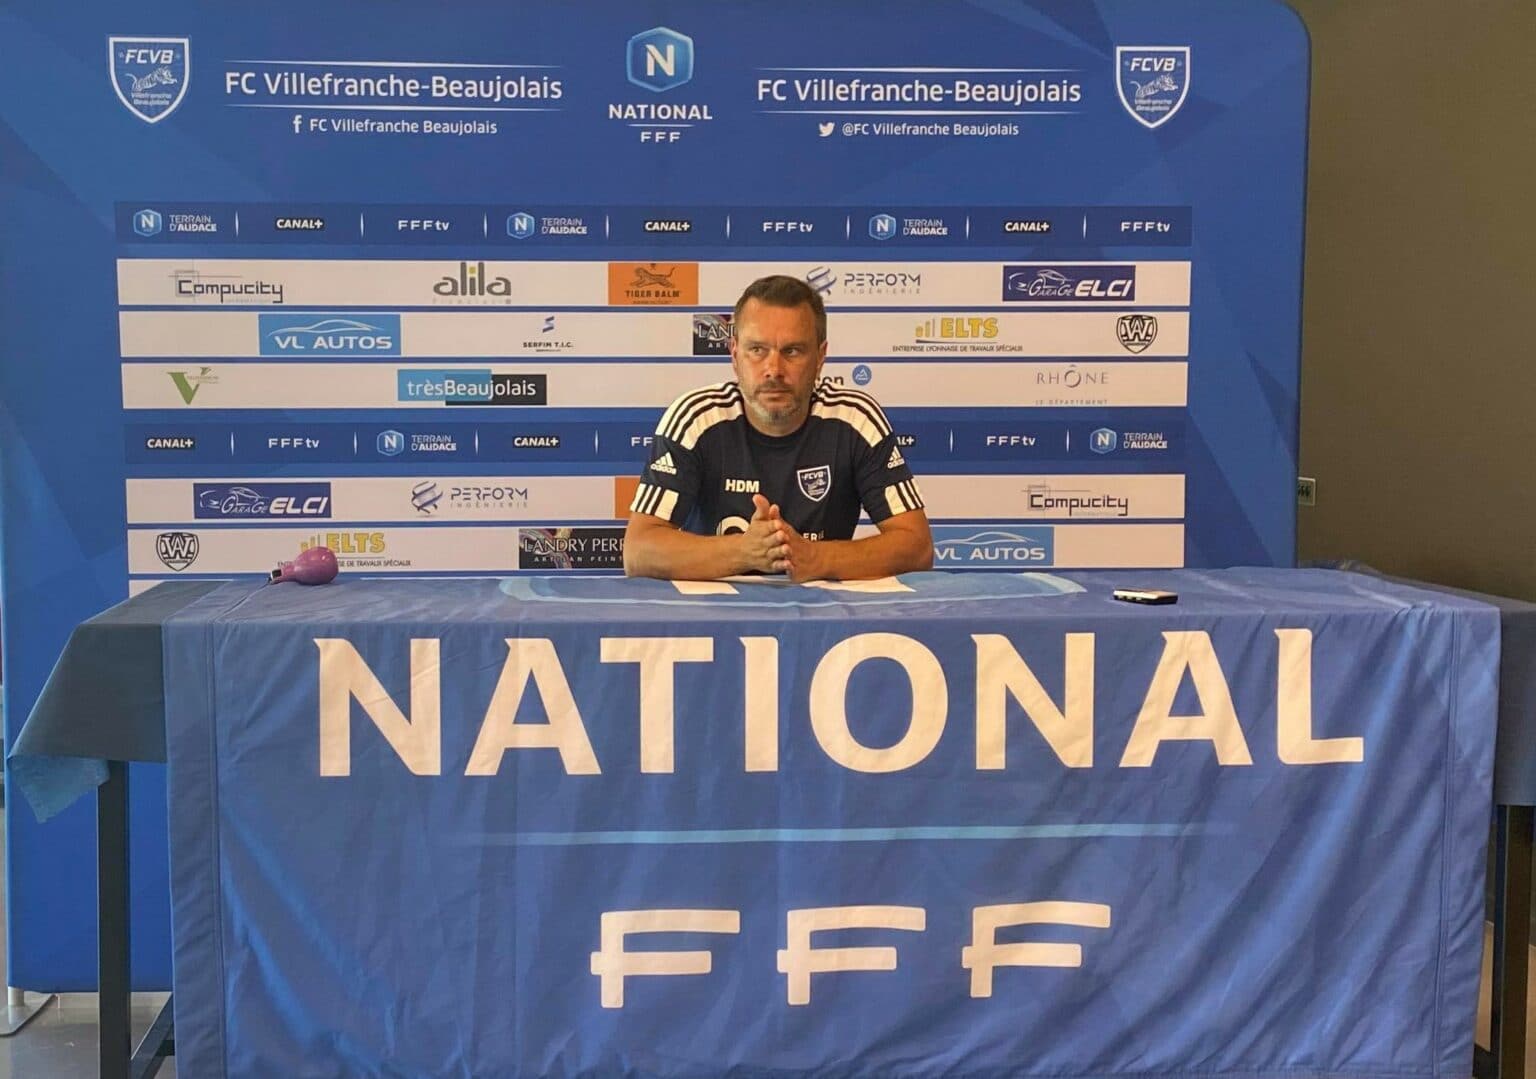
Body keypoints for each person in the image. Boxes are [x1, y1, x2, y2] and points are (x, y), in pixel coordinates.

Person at [624, 274, 933, 581]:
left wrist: (817, 557)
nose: (774, 370)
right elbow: (638, 552)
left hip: (822, 608)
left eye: (792, 351)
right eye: (757, 350)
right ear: (735, 355)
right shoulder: (695, 419)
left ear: (820, 357)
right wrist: (743, 551)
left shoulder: (855, 419)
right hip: (715, 609)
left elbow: (917, 546)